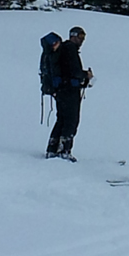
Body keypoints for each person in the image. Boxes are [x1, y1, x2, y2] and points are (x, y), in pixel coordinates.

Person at [45, 26, 93, 161]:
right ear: (73, 36)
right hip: (69, 90)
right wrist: (86, 75)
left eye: (83, 37)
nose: (82, 40)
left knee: (61, 118)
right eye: (80, 37)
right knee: (71, 120)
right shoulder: (70, 49)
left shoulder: (62, 49)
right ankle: (64, 150)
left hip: (60, 89)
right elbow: (75, 71)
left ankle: (52, 148)